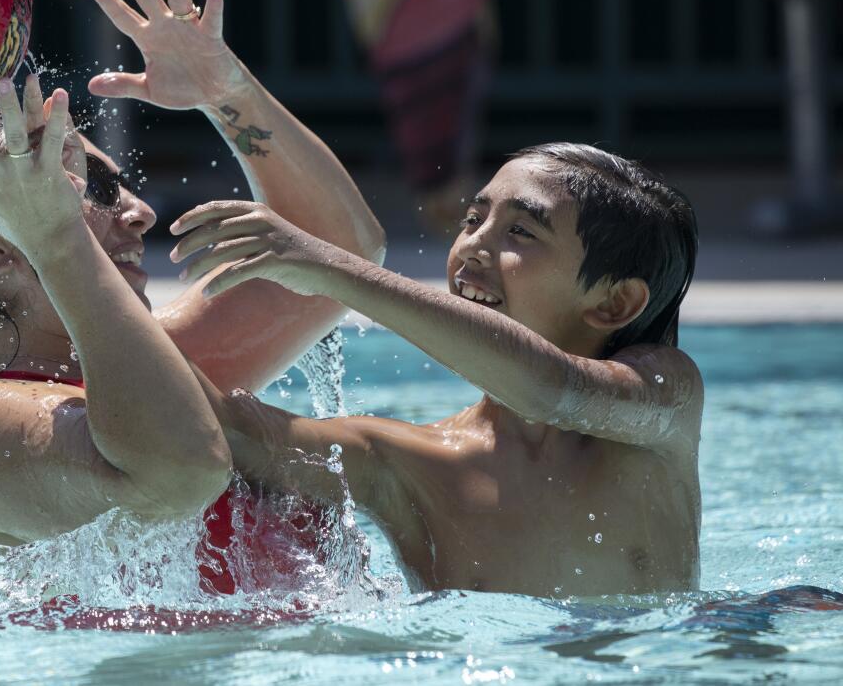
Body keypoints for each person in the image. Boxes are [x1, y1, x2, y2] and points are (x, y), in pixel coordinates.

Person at [0, 0, 385, 585]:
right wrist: (58, 241)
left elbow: (340, 257)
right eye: (94, 191)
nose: (141, 211)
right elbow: (179, 473)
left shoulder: (157, 364)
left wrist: (229, 94)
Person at [171, 144, 702, 597]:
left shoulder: (663, 401)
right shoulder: (409, 461)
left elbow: (554, 390)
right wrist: (90, 292)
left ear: (614, 304)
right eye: (473, 220)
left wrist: (327, 267)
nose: (473, 244)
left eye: (521, 231)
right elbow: (219, 428)